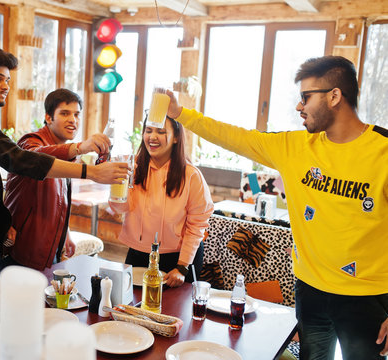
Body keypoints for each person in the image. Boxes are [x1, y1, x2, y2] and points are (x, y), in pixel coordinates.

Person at [166, 55, 388, 359]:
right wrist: (181, 114)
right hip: (309, 289)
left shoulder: (383, 152)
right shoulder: (295, 147)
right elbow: (234, 137)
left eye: (306, 97)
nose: (300, 106)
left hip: (368, 297)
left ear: (335, 96)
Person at [0, 47, 128, 360]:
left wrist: (4, 224)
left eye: (7, 79)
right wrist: (91, 171)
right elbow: (22, 159)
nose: (5, 86)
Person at [0, 88, 111, 272]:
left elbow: (58, 202)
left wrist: (66, 234)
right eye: (65, 113)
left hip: (48, 250)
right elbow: (36, 158)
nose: (73, 119)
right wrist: (80, 148)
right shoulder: (30, 141)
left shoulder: (64, 152)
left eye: (76, 114)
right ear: (49, 117)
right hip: (21, 252)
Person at [109, 116, 214, 287]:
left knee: (175, 310)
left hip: (178, 258)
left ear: (176, 137)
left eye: (161, 131)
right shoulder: (132, 166)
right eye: (148, 130)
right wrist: (117, 186)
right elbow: (120, 208)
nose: (152, 137)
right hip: (139, 252)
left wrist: (182, 267)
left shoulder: (191, 175)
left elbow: (197, 224)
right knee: (133, 308)